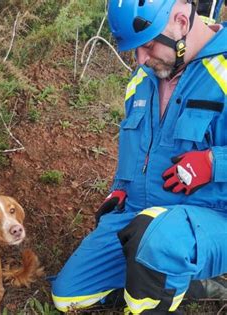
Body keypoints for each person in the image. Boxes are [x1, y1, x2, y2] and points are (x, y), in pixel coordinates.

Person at [51, 1, 227, 314]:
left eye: (147, 46)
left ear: (181, 20)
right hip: (139, 213)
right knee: (68, 296)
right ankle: (177, 281)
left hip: (210, 217)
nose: (141, 60)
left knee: (156, 241)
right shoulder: (143, 79)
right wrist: (120, 187)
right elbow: (135, 146)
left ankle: (161, 285)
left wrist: (214, 162)